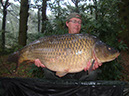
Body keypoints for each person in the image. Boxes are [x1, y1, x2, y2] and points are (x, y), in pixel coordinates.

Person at [35, 12, 101, 80]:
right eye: (74, 21)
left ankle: (79, 90)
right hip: (59, 70)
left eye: (79, 22)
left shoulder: (87, 40)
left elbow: (92, 66)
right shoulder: (58, 40)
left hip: (79, 73)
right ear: (67, 23)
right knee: (47, 72)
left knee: (93, 74)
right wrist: (40, 60)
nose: (77, 24)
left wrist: (91, 67)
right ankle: (59, 89)